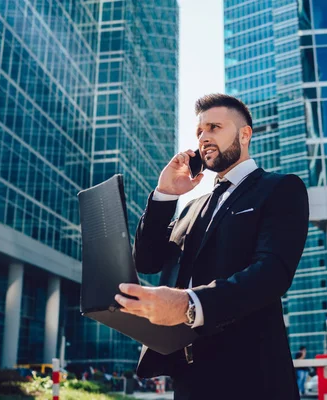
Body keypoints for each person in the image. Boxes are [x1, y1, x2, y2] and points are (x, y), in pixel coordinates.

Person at [114, 94, 310, 400]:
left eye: (214, 127)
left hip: (251, 377)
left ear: (245, 134)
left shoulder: (280, 188)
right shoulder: (192, 206)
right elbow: (148, 262)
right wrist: (165, 195)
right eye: (199, 132)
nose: (204, 137)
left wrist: (188, 305)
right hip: (189, 378)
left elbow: (272, 274)